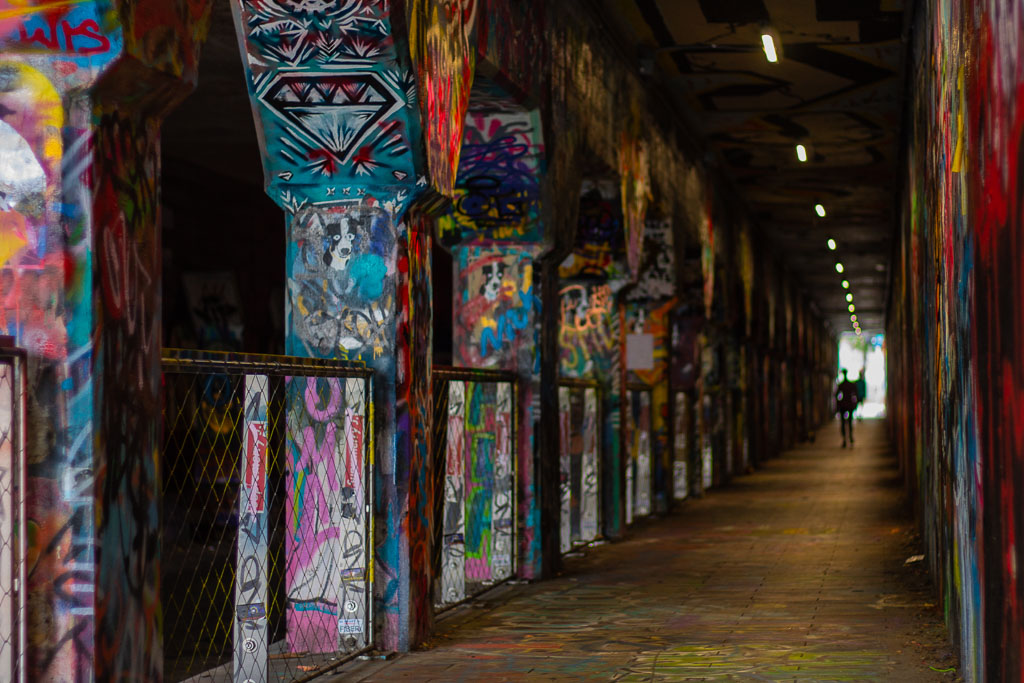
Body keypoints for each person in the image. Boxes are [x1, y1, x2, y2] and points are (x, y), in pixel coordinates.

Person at [835, 369, 859, 447]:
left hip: (843, 405)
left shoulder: (841, 385)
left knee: (843, 423)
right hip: (849, 405)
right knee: (849, 422)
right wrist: (854, 404)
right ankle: (850, 437)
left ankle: (845, 439)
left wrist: (839, 404)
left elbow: (836, 396)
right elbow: (855, 395)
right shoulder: (850, 384)